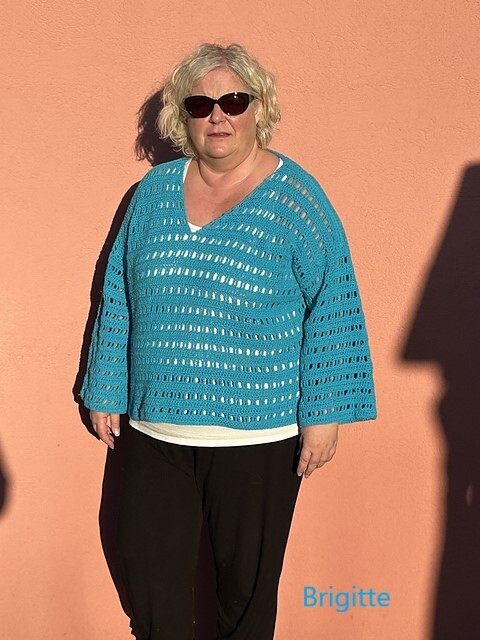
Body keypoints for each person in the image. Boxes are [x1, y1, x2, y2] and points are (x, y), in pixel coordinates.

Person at [79, 42, 377, 640]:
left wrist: (323, 415)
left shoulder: (296, 198)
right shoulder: (153, 193)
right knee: (151, 587)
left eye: (234, 101)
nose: (218, 115)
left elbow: (333, 304)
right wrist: (105, 386)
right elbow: (120, 292)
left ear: (258, 108)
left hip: (258, 439)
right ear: (182, 116)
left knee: (245, 601)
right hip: (157, 434)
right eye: (201, 104)